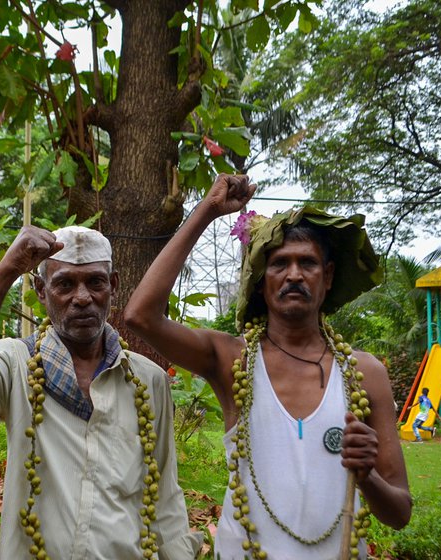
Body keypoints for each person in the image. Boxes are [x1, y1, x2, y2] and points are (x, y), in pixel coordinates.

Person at [125, 174, 412, 559]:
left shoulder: (364, 373)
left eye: (307, 263)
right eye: (279, 264)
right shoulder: (232, 361)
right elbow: (140, 315)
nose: (294, 274)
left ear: (326, 277)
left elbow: (399, 512)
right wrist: (206, 211)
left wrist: (368, 478)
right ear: (261, 282)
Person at [0, 225, 202, 559]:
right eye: (65, 284)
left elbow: (164, 495)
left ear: (113, 286)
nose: (83, 297)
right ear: (41, 290)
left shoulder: (148, 380)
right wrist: (7, 271)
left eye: (95, 282)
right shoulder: (17, 364)